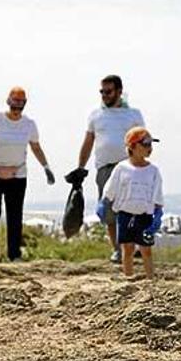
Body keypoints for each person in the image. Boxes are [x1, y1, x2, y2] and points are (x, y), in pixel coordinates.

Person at [0, 87, 55, 263]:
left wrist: (46, 166)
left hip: (17, 173)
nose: (17, 107)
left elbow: (35, 146)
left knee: (15, 214)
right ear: (8, 101)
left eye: (20, 103)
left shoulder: (29, 124)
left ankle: (14, 254)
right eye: (14, 102)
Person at [75, 75, 145, 264]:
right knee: (109, 210)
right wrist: (80, 167)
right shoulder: (95, 115)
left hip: (129, 167)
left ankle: (133, 245)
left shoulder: (133, 114)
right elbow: (88, 142)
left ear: (119, 91)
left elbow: (142, 140)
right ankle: (117, 249)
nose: (104, 95)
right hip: (105, 168)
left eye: (108, 91)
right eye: (102, 92)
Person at [97, 127, 163, 279]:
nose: (149, 148)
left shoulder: (153, 170)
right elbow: (111, 188)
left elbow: (157, 193)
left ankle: (150, 279)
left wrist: (158, 213)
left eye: (150, 144)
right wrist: (104, 203)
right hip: (125, 214)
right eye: (145, 144)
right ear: (132, 146)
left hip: (144, 215)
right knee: (127, 248)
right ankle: (129, 279)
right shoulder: (121, 168)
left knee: (146, 249)